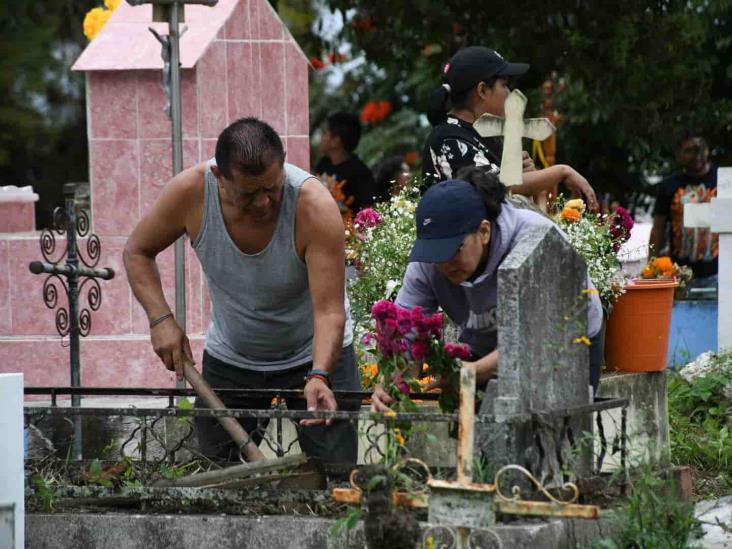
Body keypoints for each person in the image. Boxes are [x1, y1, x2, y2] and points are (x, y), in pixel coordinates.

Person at [124, 118, 361, 463]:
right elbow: (136, 251)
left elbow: (329, 311)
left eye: (272, 188)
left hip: (315, 352)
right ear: (220, 176)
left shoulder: (313, 206)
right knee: (219, 474)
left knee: (336, 477)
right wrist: (160, 319)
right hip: (234, 355)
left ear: (283, 162)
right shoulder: (191, 194)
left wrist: (320, 373)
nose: (264, 202)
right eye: (249, 194)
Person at [372, 166, 603, 411]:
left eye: (453, 250)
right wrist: (392, 382)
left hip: (564, 335)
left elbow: (533, 343)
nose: (444, 263)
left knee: (556, 429)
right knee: (484, 438)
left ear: (483, 231)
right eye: (436, 254)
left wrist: (467, 374)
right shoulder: (427, 261)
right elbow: (404, 332)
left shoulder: (534, 240)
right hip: (487, 340)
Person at [421, 46, 598, 210]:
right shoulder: (449, 138)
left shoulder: (479, 133)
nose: (509, 92)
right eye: (504, 85)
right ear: (482, 90)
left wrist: (524, 175)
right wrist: (561, 171)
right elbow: (498, 185)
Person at [649, 133, 718, 287]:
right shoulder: (669, 185)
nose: (696, 155)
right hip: (679, 274)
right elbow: (658, 229)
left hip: (718, 273)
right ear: (679, 155)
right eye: (689, 151)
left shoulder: (723, 181)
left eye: (700, 149)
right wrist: (651, 266)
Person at [316, 112, 377, 218]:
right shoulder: (322, 165)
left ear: (336, 141)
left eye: (324, 133)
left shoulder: (361, 175)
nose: (321, 138)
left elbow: (367, 214)